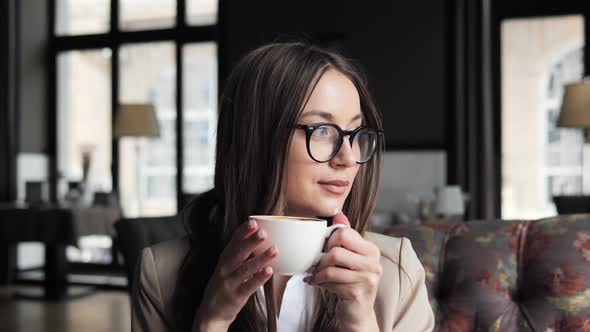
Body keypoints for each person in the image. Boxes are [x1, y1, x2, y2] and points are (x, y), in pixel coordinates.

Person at [131, 42, 434, 332]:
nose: (349, 157)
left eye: (356, 133)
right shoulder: (161, 274)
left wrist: (360, 320)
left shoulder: (396, 271)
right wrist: (212, 321)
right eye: (322, 131)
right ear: (257, 140)